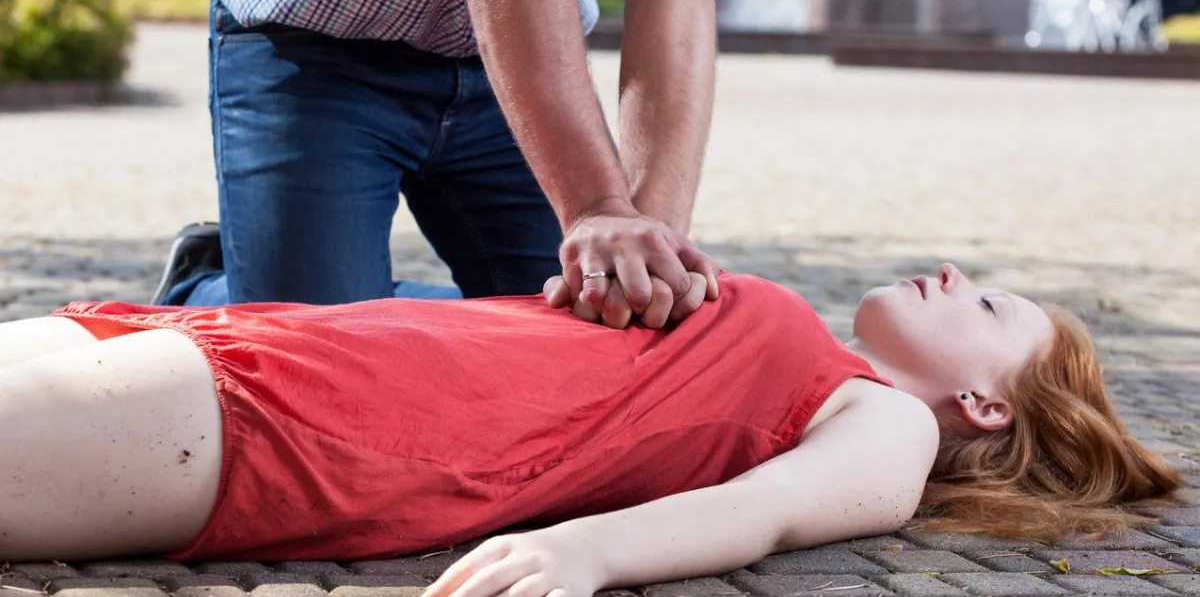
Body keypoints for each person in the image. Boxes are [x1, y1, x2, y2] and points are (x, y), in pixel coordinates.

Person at [0, 264, 1181, 592]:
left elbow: (764, 515)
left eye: (987, 304)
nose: (949, 271)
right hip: (277, 346)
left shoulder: (890, 431)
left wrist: (590, 552)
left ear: (986, 405)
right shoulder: (823, 358)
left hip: (306, 424)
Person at [150, 0, 722, 331]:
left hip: (514, 66)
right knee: (326, 362)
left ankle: (335, 287)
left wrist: (651, 264)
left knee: (593, 326)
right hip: (314, 52)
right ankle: (204, 288)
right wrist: (597, 207)